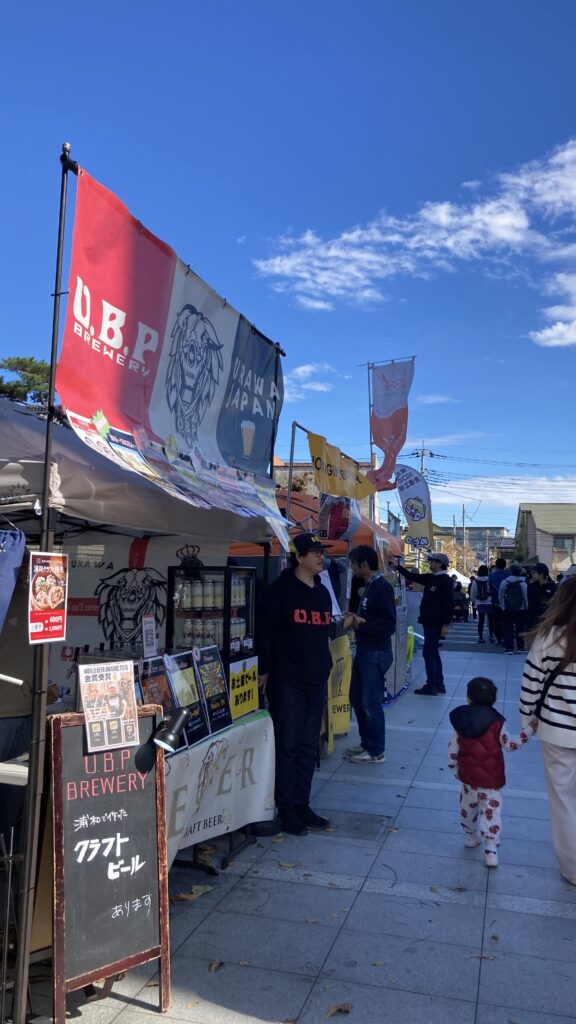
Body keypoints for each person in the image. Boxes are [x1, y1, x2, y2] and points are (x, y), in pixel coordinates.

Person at [257, 533, 333, 836]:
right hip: (288, 681)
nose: (320, 556)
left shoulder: (322, 592)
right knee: (287, 745)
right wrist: (264, 669)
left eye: (321, 551)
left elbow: (324, 634)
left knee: (308, 745)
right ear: (298, 557)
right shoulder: (279, 591)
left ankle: (302, 804)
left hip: (316, 680)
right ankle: (286, 808)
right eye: (314, 552)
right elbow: (264, 632)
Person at [520, 578, 576, 884]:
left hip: (557, 730)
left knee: (563, 801)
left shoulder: (548, 637)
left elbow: (531, 685)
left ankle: (573, 868)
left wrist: (527, 721)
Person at [448, 677, 535, 868]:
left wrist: (455, 769)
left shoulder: (461, 721)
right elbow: (510, 745)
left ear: (469, 698)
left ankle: (470, 837)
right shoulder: (496, 723)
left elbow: (453, 749)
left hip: (468, 778)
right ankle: (490, 849)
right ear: (493, 700)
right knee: (491, 812)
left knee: (467, 808)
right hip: (491, 781)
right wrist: (528, 731)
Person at [342, 545, 396, 764]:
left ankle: (376, 751)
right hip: (365, 650)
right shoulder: (370, 586)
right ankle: (366, 743)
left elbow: (388, 624)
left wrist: (361, 624)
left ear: (364, 564)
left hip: (376, 652)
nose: (352, 568)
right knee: (356, 698)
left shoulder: (382, 587)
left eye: (354, 564)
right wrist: (355, 617)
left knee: (371, 703)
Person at [0, 556, 34, 847]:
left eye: (27, 564)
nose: (25, 570)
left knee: (16, 789)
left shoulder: (35, 599)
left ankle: (8, 849)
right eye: (20, 564)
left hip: (27, 707)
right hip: (6, 708)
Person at [396, 552, 453, 696]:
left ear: (439, 564)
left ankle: (431, 685)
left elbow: (449, 604)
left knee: (429, 654)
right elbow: (411, 576)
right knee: (433, 653)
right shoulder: (430, 578)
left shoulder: (445, 581)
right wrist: (396, 566)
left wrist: (446, 624)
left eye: (432, 561)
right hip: (428, 622)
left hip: (436, 623)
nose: (430, 563)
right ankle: (439, 684)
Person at [499, 562, 528, 654]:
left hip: (507, 608)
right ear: (519, 572)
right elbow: (525, 597)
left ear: (510, 571)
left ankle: (509, 648)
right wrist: (526, 607)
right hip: (520, 609)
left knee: (508, 628)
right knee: (520, 628)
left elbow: (500, 595)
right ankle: (520, 647)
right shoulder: (523, 584)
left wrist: (502, 606)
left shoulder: (504, 582)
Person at [526, 562, 556, 631]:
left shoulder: (552, 586)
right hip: (533, 622)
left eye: (534, 572)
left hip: (547, 621)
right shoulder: (531, 587)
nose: (532, 574)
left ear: (541, 574)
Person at [470, 565, 494, 643]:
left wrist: (474, 601)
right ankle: (491, 636)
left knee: (481, 620)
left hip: (480, 603)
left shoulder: (475, 581)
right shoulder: (489, 580)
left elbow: (472, 593)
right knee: (490, 620)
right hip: (489, 602)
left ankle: (480, 637)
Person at [489, 558, 508, 646]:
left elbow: (489, 588)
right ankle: (505, 638)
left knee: (497, 621)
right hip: (506, 602)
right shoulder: (508, 576)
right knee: (506, 621)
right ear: (505, 566)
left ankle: (499, 639)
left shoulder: (492, 576)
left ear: (496, 566)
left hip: (495, 601)